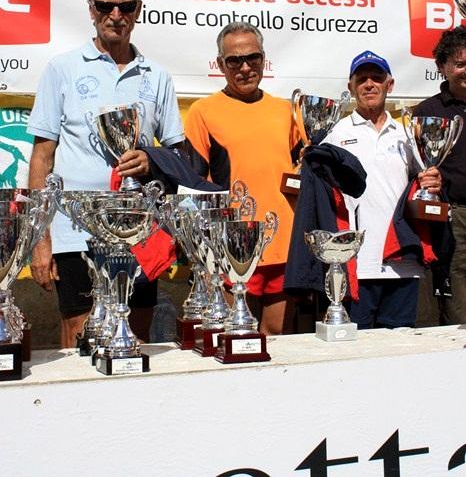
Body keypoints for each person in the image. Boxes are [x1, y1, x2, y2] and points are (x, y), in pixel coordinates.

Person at [27, 0, 184, 347]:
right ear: (91, 9)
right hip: (75, 232)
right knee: (79, 334)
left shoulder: (157, 75)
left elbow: (177, 154)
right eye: (105, 6)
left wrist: (151, 161)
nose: (116, 15)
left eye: (125, 6)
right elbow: (42, 159)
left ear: (138, 10)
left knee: (137, 336)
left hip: (139, 233)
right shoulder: (62, 68)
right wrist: (39, 240)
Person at [184, 22, 300, 335]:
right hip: (230, 246)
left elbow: (301, 174)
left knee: (277, 336)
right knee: (232, 337)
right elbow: (194, 185)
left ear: (264, 59)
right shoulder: (202, 112)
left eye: (253, 58)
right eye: (234, 60)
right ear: (220, 64)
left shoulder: (287, 111)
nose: (245, 67)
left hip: (282, 242)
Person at [323, 50, 441, 329]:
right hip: (356, 263)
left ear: (390, 84)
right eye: (361, 79)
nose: (369, 84)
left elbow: (423, 179)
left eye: (376, 78)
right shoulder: (335, 133)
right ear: (351, 86)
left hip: (402, 262)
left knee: (399, 346)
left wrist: (433, 183)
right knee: (357, 345)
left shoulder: (408, 133)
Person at [413, 26, 466, 325]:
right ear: (442, 67)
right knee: (459, 295)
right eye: (460, 64)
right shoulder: (427, 112)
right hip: (455, 216)